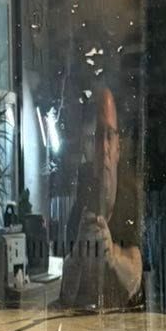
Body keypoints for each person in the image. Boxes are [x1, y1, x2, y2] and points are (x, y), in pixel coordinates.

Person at [60, 82, 143, 311]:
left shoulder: (132, 201)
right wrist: (78, 255)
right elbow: (65, 295)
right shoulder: (80, 207)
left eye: (109, 135)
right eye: (97, 136)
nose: (103, 147)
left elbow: (136, 280)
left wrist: (113, 254)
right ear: (87, 146)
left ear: (119, 146)